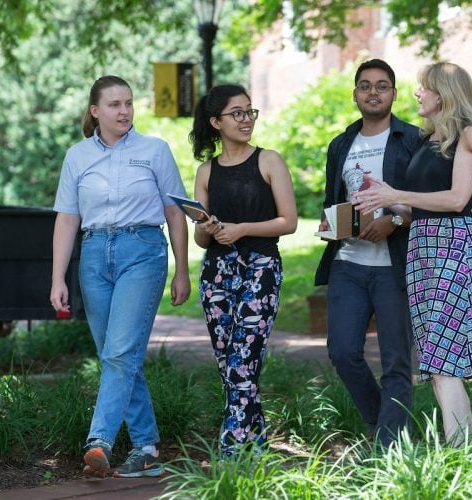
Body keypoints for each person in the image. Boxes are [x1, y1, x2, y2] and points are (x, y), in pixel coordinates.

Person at [50, 75, 192, 478]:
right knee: (119, 355)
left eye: (129, 103)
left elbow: (174, 213)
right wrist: (58, 277)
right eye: (114, 104)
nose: (125, 111)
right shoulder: (77, 156)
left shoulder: (155, 150)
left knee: (118, 353)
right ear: (95, 111)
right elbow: (67, 219)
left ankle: (99, 442)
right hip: (94, 256)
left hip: (142, 252)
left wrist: (182, 269)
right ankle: (146, 446)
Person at [353, 62, 472, 446]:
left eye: (423, 87)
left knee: (444, 358)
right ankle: (466, 450)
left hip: (452, 246)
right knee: (435, 359)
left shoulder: (467, 135)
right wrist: (382, 195)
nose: (417, 93)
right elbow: (423, 208)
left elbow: (456, 200)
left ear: (443, 94)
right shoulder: (431, 140)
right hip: (423, 245)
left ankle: (460, 454)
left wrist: (396, 195)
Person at [314, 59, 424, 447]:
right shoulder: (341, 144)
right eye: (365, 86)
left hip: (396, 265)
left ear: (393, 93)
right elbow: (334, 200)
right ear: (355, 93)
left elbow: (428, 206)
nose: (373, 92)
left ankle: (390, 447)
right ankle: (383, 422)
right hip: (348, 263)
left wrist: (392, 221)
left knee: (396, 360)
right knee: (343, 352)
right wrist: (332, 225)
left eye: (382, 85)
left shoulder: (413, 140)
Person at [188, 84, 297, 458]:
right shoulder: (206, 171)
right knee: (229, 366)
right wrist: (206, 228)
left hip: (261, 269)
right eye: (238, 113)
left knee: (242, 362)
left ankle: (231, 450)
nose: (246, 119)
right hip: (217, 273)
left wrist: (242, 229)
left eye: (250, 111)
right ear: (216, 121)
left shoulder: (269, 161)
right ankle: (257, 444)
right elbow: (202, 240)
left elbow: (290, 222)